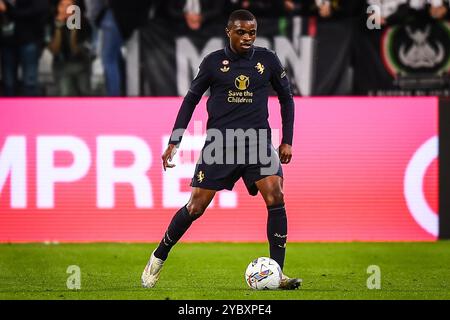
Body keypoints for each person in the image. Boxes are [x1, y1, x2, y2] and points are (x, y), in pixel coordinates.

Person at [141, 9, 301, 290]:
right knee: (195, 207)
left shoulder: (268, 60)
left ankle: (277, 273)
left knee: (276, 195)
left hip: (257, 143)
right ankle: (159, 255)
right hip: (220, 145)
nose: (248, 37)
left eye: (252, 32)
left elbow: (287, 99)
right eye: (241, 32)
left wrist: (287, 139)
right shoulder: (214, 63)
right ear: (229, 31)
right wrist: (175, 140)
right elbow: (190, 100)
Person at [0, 0, 49, 96]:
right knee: (8, 82)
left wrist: (9, 10)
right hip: (6, 41)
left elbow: (40, 9)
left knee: (30, 81)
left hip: (29, 39)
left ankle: (30, 109)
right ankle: (9, 110)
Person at [47, 0, 92, 96]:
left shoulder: (83, 23)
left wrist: (73, 29)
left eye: (69, 6)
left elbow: (76, 50)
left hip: (81, 64)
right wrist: (58, 28)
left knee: (85, 94)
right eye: (62, 5)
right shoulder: (51, 22)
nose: (65, 9)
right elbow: (54, 50)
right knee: (66, 94)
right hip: (61, 65)